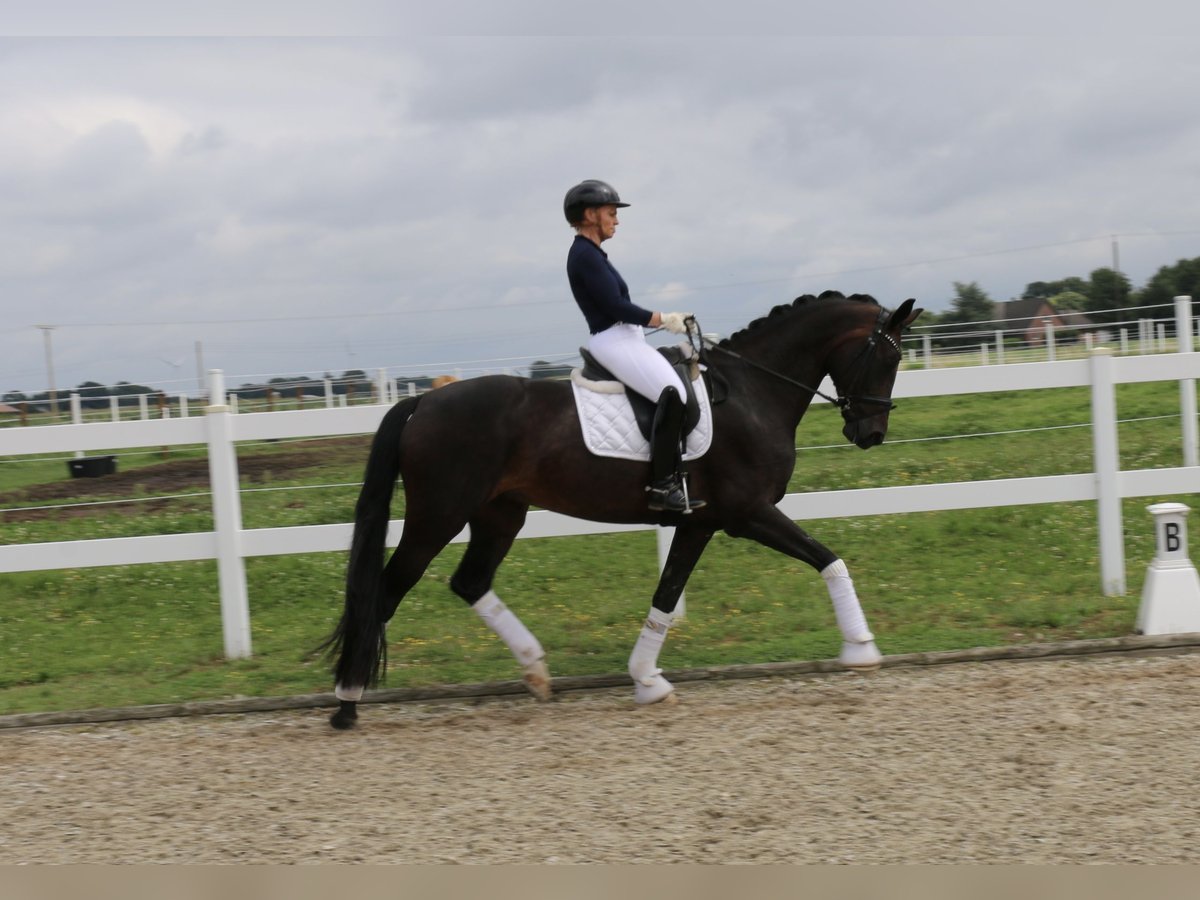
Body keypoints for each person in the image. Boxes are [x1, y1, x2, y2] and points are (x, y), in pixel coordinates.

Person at [564, 179, 704, 513]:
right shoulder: (584, 255)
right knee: (673, 393)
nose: (617, 220)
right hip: (613, 338)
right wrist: (664, 319)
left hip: (625, 337)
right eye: (611, 213)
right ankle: (662, 486)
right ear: (590, 214)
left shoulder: (594, 254)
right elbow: (615, 307)